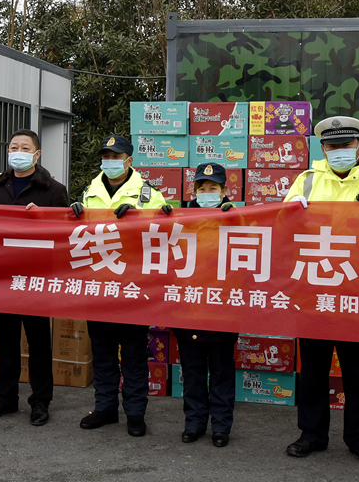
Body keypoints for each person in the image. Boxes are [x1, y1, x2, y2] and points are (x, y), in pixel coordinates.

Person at [282, 116, 359, 466]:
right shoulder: (306, 181)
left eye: (346, 145)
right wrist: (289, 213)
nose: (339, 151)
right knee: (313, 371)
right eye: (332, 146)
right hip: (315, 291)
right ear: (323, 149)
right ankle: (311, 434)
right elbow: (282, 227)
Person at [71, 134, 168, 437]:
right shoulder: (90, 191)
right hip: (99, 286)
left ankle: (135, 413)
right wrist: (70, 216)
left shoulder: (148, 194)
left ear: (129, 161)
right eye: (106, 156)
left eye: (116, 156)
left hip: (132, 287)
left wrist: (141, 216)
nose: (110, 161)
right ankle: (105, 408)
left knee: (134, 354)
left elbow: (166, 230)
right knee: (102, 352)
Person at [0, 129, 70, 426]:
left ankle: (40, 401)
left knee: (39, 343)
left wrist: (44, 217)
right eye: (13, 147)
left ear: (37, 154)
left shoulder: (54, 189)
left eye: (25, 148)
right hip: (4, 275)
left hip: (36, 277)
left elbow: (66, 232)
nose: (18, 152)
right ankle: (6, 398)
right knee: (6, 341)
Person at [174, 162, 238, 447]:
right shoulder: (180, 217)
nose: (207, 192)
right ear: (195, 191)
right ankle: (194, 422)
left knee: (222, 371)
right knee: (193, 371)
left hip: (222, 308)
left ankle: (221, 426)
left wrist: (236, 220)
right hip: (188, 306)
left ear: (224, 191)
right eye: (202, 188)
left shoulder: (238, 217)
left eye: (213, 188)